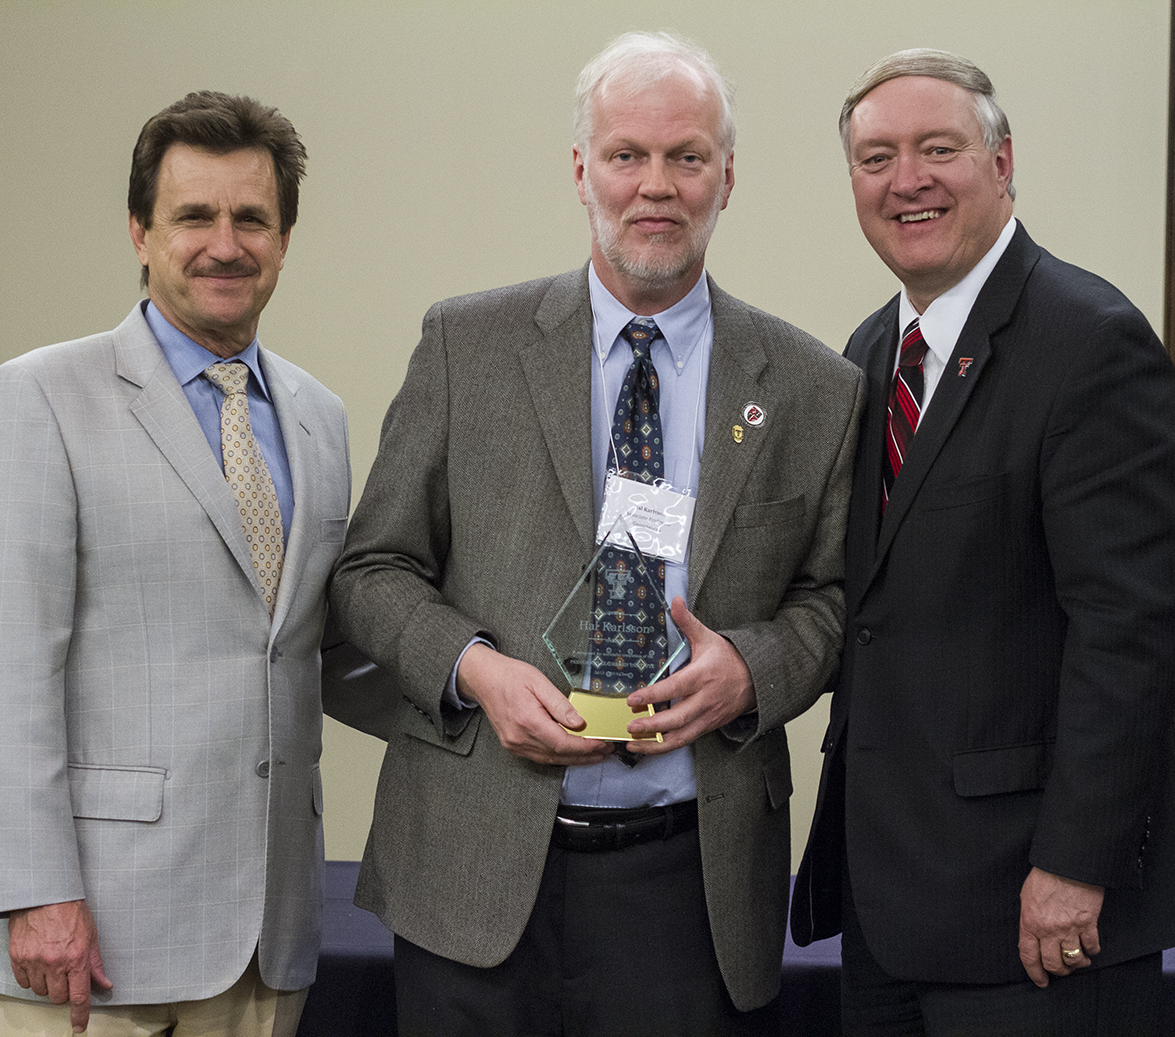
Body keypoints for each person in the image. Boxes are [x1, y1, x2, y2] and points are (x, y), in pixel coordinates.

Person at [330, 31, 864, 1035]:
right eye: (626, 155)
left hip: (687, 881)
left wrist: (751, 668)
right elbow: (371, 571)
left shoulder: (811, 388)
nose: (654, 186)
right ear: (582, 171)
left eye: (686, 157)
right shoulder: (466, 344)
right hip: (473, 865)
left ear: (726, 177)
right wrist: (477, 668)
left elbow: (834, 602)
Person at [790, 49, 1175, 1035]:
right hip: (890, 906)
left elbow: (1129, 628)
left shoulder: (1089, 340)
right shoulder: (868, 350)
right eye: (876, 157)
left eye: (938, 148)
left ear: (1002, 161)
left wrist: (1074, 864)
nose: (907, 180)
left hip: (1037, 913)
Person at [0, 91, 357, 1037]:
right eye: (193, 216)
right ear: (139, 230)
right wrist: (35, 891)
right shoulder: (41, 396)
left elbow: (313, 646)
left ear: (284, 239)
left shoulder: (317, 418)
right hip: (86, 938)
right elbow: (0, 669)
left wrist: (482, 675)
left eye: (251, 217)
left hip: (264, 934)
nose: (225, 243)